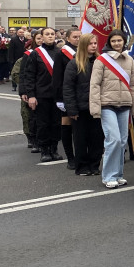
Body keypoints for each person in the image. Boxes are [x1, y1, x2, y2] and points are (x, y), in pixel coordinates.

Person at [89, 30, 134, 188]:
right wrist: (95, 107)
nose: (117, 43)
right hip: (107, 104)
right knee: (114, 140)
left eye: (119, 40)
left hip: (124, 104)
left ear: (124, 42)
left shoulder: (129, 59)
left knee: (122, 141)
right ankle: (108, 175)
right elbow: (95, 84)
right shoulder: (101, 60)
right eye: (114, 41)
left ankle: (118, 174)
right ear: (109, 43)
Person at [21, 27, 65, 163]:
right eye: (47, 34)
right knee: (43, 123)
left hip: (57, 95)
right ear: (42, 37)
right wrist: (31, 95)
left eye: (52, 34)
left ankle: (54, 148)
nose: (50, 36)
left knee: (56, 123)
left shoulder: (60, 52)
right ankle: (44, 150)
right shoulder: (36, 54)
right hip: (42, 94)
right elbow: (29, 76)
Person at [63, 34, 104, 177]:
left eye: (95, 43)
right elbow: (68, 88)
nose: (93, 46)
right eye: (90, 43)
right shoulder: (74, 63)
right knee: (81, 139)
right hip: (80, 108)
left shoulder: (100, 62)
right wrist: (72, 109)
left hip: (97, 107)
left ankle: (94, 165)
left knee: (97, 138)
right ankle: (82, 166)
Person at [53, 27, 82, 170]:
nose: (78, 39)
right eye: (75, 37)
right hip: (67, 94)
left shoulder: (84, 52)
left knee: (80, 128)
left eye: (80, 37)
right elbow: (57, 77)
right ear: (68, 38)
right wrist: (59, 98)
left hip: (82, 94)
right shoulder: (61, 53)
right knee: (67, 126)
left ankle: (80, 155)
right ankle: (70, 158)